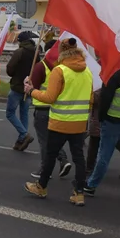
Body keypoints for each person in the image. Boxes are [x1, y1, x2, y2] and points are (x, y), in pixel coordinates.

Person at [24, 38, 93, 205]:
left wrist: (31, 90)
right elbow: (91, 99)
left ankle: (41, 186)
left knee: (50, 155)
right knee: (78, 158)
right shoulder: (87, 71)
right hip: (80, 122)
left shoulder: (60, 70)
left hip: (60, 122)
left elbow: (49, 97)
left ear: (61, 52)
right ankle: (79, 193)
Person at [85, 50, 120, 202]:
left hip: (113, 121)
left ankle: (91, 186)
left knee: (104, 155)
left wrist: (102, 118)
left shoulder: (115, 74)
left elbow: (105, 99)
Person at [28, 40, 71, 179]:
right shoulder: (63, 67)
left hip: (42, 108)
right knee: (52, 139)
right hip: (57, 109)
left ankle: (45, 170)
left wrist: (28, 84)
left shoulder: (41, 66)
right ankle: (63, 160)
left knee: (44, 141)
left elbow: (33, 85)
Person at [85, 90, 120, 181]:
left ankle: (89, 168)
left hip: (100, 122)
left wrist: (91, 92)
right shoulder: (116, 87)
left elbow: (94, 100)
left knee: (94, 146)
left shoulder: (101, 90)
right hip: (112, 121)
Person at [4, 30, 37, 151]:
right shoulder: (36, 53)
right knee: (24, 114)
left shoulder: (19, 52)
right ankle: (20, 140)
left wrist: (14, 74)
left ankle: (24, 134)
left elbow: (10, 68)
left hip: (17, 86)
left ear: (21, 42)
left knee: (10, 113)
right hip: (29, 87)